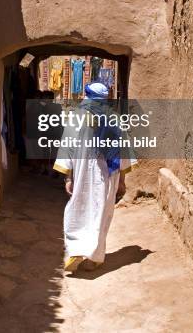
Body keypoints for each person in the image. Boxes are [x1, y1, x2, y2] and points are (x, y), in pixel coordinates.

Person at [53, 82, 138, 272]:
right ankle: (95, 258)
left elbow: (68, 147)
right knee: (101, 213)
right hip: (109, 174)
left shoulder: (77, 116)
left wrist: (68, 177)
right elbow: (122, 150)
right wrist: (122, 180)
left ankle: (75, 249)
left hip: (84, 171)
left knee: (78, 208)